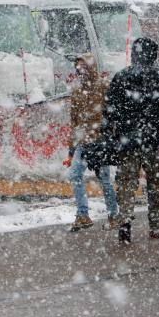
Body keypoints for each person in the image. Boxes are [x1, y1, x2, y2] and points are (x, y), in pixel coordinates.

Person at [103, 37, 159, 242]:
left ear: (134, 54)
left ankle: (125, 220)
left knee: (127, 183)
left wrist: (115, 130)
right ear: (153, 55)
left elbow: (109, 108)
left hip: (127, 141)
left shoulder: (121, 77)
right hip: (153, 141)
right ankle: (156, 226)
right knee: (155, 184)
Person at [65, 53, 119, 232]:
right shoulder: (77, 90)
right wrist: (71, 149)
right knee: (75, 175)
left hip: (100, 141)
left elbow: (113, 113)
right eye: (78, 66)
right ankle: (83, 215)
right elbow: (74, 121)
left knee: (104, 179)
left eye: (84, 65)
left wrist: (111, 136)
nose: (81, 68)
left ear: (91, 66)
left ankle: (113, 215)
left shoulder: (104, 86)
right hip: (83, 142)